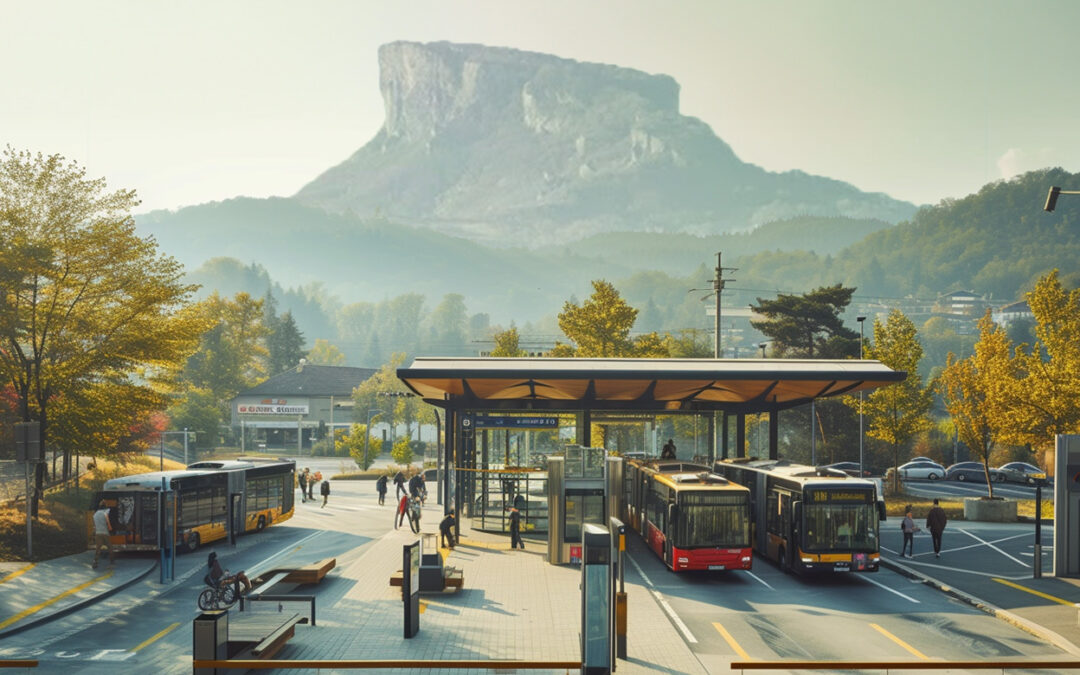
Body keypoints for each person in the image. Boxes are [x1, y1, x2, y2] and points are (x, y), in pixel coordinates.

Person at [91, 500, 115, 569]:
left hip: (98, 533)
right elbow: (108, 521)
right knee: (110, 548)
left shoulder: (95, 514)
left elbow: (94, 525)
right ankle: (112, 563)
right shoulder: (106, 512)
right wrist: (110, 528)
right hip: (105, 533)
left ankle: (95, 562)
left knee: (98, 549)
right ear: (105, 505)